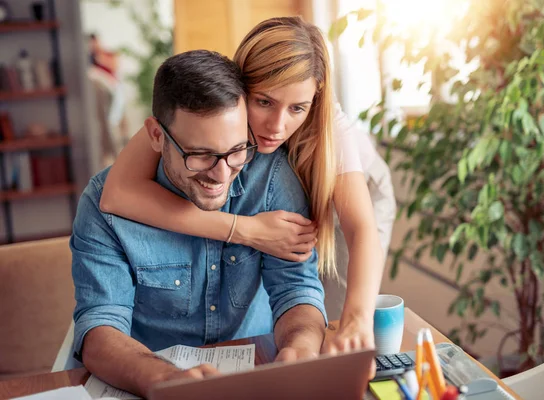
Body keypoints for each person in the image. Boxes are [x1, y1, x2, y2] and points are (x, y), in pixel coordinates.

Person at [99, 16, 392, 354]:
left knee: (337, 324)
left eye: (298, 108)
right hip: (282, 193)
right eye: (264, 102)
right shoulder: (211, 105)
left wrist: (357, 317)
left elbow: (361, 229)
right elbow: (118, 194)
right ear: (240, 86)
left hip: (357, 198)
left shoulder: (332, 128)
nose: (277, 126)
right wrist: (248, 230)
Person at [71, 50, 327, 397]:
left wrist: (303, 349)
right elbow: (100, 329)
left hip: (254, 373)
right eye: (201, 155)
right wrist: (166, 380)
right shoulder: (104, 207)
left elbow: (296, 290)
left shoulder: (271, 179)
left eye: (237, 150)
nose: (221, 174)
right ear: (157, 137)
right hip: (146, 378)